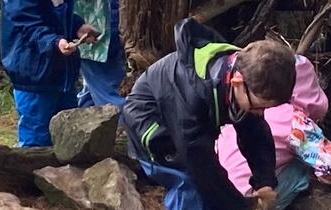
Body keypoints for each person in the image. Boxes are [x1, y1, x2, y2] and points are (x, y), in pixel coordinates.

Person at [122, 18, 297, 210]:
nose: (261, 113)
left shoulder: (243, 76)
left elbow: (255, 134)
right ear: (237, 82)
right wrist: (239, 206)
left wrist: (264, 181)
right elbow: (202, 168)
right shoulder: (193, 93)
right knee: (188, 184)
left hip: (194, 127)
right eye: (259, 107)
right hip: (152, 126)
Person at [0, 0, 98, 147]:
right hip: (34, 75)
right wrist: (55, 42)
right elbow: (31, 26)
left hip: (62, 71)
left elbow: (61, 15)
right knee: (37, 134)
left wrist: (78, 27)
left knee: (67, 129)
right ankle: (31, 176)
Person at [217, 55, 331, 210]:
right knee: (304, 164)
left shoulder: (243, 111)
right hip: (252, 198)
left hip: (221, 193)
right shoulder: (294, 119)